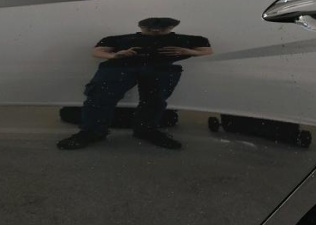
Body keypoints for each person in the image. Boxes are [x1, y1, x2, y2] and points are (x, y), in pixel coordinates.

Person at [58, 18, 212, 150]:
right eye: (150, 28)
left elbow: (207, 50)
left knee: (155, 100)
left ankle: (146, 130)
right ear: (140, 26)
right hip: (121, 66)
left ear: (172, 27)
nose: (156, 31)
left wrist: (189, 52)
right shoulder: (121, 38)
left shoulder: (189, 39)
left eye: (162, 28)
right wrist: (115, 55)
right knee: (100, 96)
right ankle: (91, 132)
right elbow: (97, 51)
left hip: (160, 67)